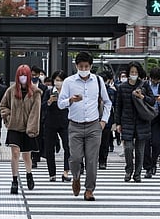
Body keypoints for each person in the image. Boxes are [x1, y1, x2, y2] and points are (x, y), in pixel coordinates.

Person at [58, 52, 111, 201]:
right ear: (76, 66)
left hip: (94, 125)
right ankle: (76, 177)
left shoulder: (98, 81)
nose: (84, 69)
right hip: (75, 125)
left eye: (86, 66)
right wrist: (70, 100)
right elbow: (60, 104)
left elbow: (107, 102)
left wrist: (103, 121)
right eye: (81, 66)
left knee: (91, 159)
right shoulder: (69, 82)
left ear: (91, 66)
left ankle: (89, 189)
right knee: (74, 158)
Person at [0, 64, 42, 195]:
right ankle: (14, 180)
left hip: (28, 128)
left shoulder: (35, 92)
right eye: (20, 75)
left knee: (27, 155)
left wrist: (32, 128)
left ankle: (29, 174)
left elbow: (36, 112)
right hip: (14, 127)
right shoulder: (11, 90)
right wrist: (8, 117)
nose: (22, 77)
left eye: (25, 75)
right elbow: (3, 105)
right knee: (15, 153)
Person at [115, 61, 155, 183]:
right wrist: (118, 123)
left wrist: (142, 97)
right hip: (126, 120)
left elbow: (152, 101)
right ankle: (128, 170)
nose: (133, 74)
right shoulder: (122, 87)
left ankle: (137, 174)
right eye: (132, 72)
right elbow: (118, 106)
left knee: (140, 150)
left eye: (136, 72)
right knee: (128, 148)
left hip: (142, 121)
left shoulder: (144, 85)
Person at [43, 70, 71, 182]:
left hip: (65, 122)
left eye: (60, 80)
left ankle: (66, 172)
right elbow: (43, 106)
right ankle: (52, 173)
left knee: (67, 147)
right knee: (49, 149)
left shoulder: (67, 92)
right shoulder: (49, 92)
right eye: (56, 80)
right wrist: (50, 101)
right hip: (50, 123)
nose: (58, 82)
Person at [143, 67, 160, 178]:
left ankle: (154, 164)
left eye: (157, 80)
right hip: (145, 117)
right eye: (154, 79)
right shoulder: (144, 85)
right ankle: (148, 167)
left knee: (157, 143)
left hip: (158, 118)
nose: (155, 82)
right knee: (146, 144)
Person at [98, 70, 117, 170]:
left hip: (107, 119)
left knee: (104, 141)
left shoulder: (112, 91)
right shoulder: (94, 90)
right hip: (94, 118)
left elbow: (115, 105)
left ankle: (102, 161)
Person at [30, 65, 47, 169]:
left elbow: (44, 103)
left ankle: (36, 158)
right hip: (29, 115)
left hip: (40, 116)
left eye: (36, 75)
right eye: (32, 75)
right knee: (30, 136)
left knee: (38, 137)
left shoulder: (43, 88)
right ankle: (31, 156)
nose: (34, 76)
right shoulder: (26, 86)